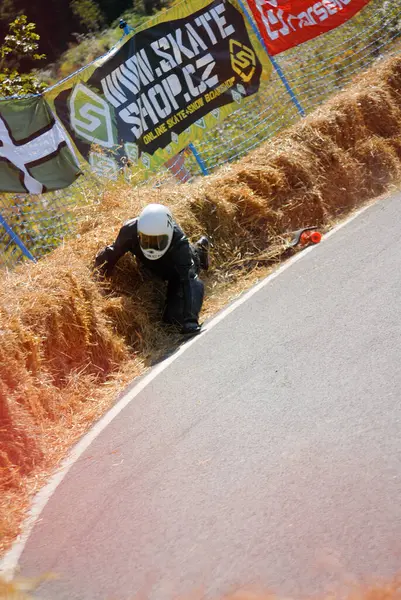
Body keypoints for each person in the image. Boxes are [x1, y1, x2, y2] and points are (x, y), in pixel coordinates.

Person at [94, 203, 209, 335]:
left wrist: (190, 320)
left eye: (158, 241)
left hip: (176, 271)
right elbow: (111, 254)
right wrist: (96, 280)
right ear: (139, 234)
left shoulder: (180, 242)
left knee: (174, 319)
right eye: (146, 240)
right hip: (154, 267)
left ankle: (200, 250)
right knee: (170, 318)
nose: (151, 247)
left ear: (169, 234)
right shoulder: (130, 230)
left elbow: (187, 281)